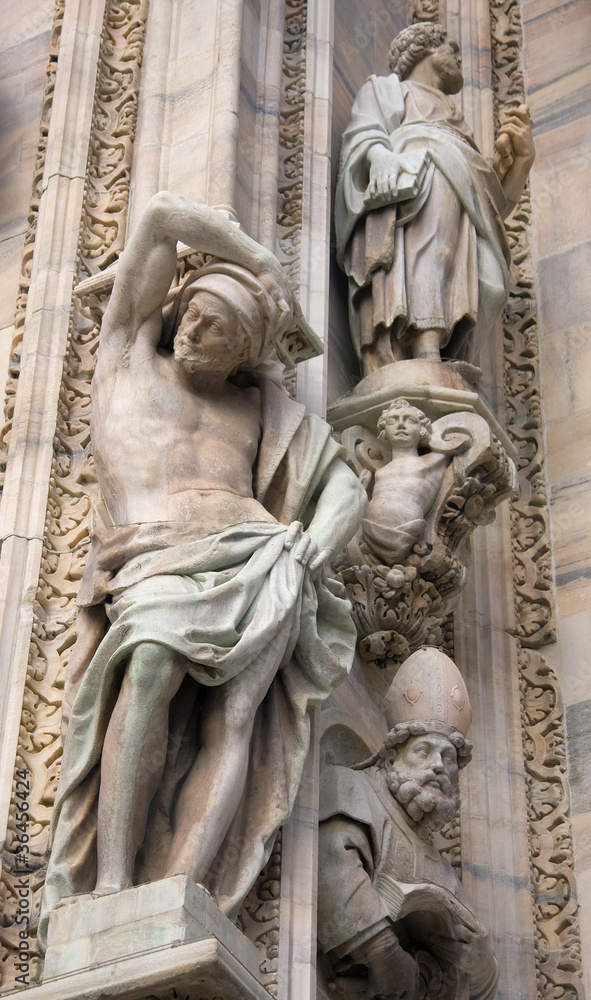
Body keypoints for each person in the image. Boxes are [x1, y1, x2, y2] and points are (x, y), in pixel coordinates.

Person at [39, 191, 367, 948]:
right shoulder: (126, 360)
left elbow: (342, 483)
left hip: (259, 560)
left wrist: (306, 548)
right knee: (149, 662)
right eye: (190, 314)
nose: (191, 331)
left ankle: (185, 887)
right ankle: (114, 880)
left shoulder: (258, 413)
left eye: (214, 330)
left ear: (244, 352)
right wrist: (254, 261)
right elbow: (156, 217)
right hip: (151, 559)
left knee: (235, 718)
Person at [335, 22, 535, 375]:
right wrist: (379, 155)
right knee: (431, 252)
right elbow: (362, 136)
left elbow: (493, 211)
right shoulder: (385, 90)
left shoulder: (457, 122)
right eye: (451, 48)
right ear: (424, 48)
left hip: (452, 179)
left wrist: (520, 164)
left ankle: (441, 354)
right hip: (418, 176)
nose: (458, 58)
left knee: (480, 272)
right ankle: (425, 350)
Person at [317, 647, 499, 1000]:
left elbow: (479, 984)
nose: (438, 767)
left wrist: (482, 964)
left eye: (448, 758)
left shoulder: (444, 871)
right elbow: (332, 859)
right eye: (423, 751)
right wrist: (383, 951)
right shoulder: (350, 787)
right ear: (391, 757)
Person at [358, 399, 449, 565]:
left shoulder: (432, 461)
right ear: (383, 431)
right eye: (393, 420)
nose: (400, 425)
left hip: (406, 534)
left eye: (410, 420)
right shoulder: (379, 471)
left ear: (422, 430)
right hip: (369, 534)